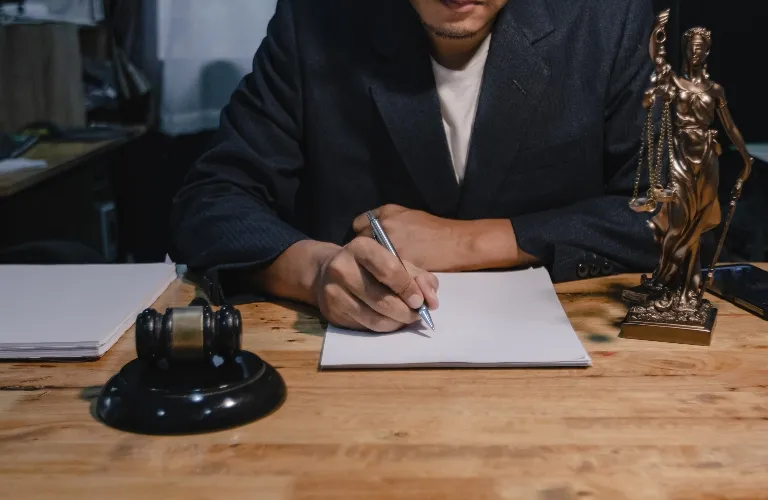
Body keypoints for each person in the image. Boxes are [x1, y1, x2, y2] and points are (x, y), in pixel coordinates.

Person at [170, 0, 660, 332]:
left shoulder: (607, 19)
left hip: (570, 365)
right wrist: (314, 272)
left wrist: (472, 240)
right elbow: (212, 200)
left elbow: (675, 212)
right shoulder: (317, 19)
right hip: (350, 373)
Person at [630, 11, 752, 311]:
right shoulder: (675, 82)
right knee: (679, 223)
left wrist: (747, 160)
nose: (695, 51)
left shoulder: (715, 91)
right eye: (690, 46)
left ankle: (688, 287)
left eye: (700, 47)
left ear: (706, 51)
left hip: (708, 160)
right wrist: (657, 32)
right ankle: (665, 278)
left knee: (697, 223)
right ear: (685, 50)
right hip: (681, 160)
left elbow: (731, 127)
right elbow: (657, 62)